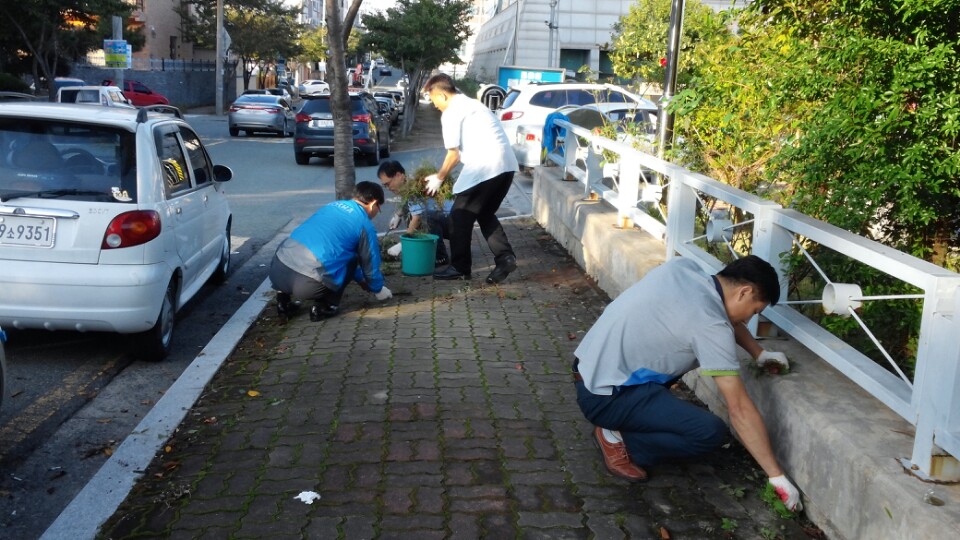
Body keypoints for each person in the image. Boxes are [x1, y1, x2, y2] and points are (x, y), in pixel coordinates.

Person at [573, 255, 803, 512]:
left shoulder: (684, 269)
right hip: (606, 396)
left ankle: (624, 420)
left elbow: (726, 316)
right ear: (744, 292)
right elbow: (738, 409)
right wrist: (776, 476)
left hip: (588, 368)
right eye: (755, 311)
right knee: (708, 432)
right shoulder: (710, 325)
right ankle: (616, 436)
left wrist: (759, 353)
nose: (750, 320)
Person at [421, 73, 519, 284]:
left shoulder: (451, 113)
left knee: (459, 216)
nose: (434, 105)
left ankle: (459, 267)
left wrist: (439, 178)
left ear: (443, 95)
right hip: (507, 166)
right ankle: (505, 258)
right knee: (484, 213)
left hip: (485, 168)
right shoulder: (474, 105)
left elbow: (453, 154)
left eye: (434, 99)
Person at [269, 181, 392, 322]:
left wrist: (361, 280)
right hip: (307, 285)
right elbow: (369, 263)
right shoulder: (364, 224)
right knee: (351, 259)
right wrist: (377, 288)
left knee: (299, 248)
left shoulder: (331, 206)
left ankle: (283, 303)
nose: (378, 212)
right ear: (373, 203)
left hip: (277, 270)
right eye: (379, 208)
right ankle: (325, 307)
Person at [377, 160, 452, 266]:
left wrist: (403, 243)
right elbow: (409, 204)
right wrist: (398, 215)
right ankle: (424, 249)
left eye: (388, 184)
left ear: (398, 175)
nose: (388, 188)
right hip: (446, 218)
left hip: (454, 222)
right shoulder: (409, 182)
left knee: (426, 217)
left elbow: (417, 217)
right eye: (385, 186)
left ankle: (440, 257)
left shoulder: (415, 187)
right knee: (411, 213)